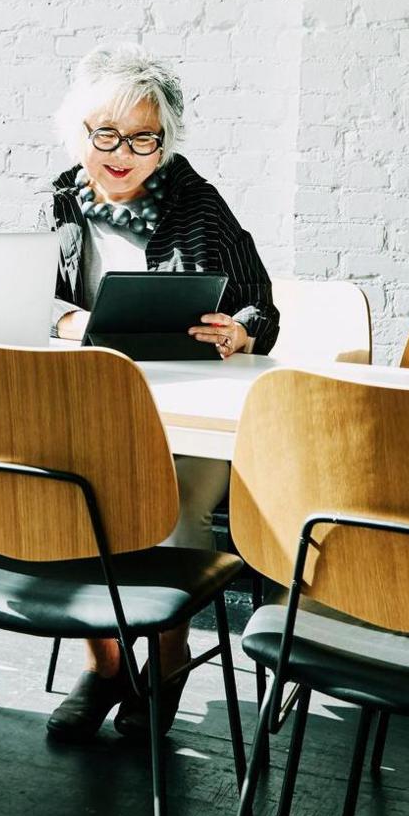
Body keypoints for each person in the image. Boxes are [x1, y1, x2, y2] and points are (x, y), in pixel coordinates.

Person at [44, 42, 280, 743]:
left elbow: (260, 308)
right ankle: (108, 662)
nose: (122, 153)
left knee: (166, 506)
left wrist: (238, 333)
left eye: (143, 138)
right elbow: (31, 299)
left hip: (192, 420)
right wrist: (71, 319)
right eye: (106, 135)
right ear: (80, 133)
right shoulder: (61, 200)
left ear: (165, 141)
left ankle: (170, 655)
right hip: (97, 406)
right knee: (70, 494)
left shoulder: (199, 204)